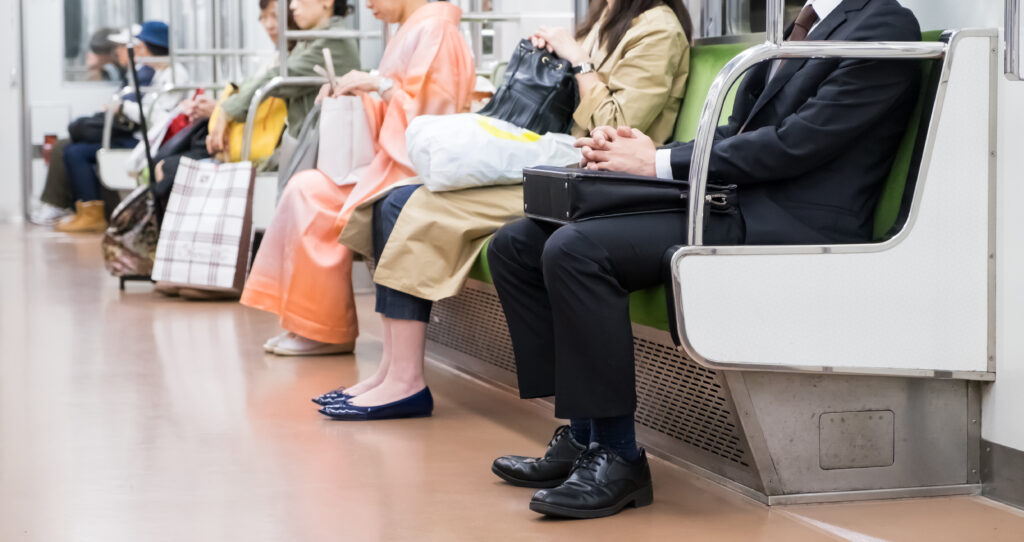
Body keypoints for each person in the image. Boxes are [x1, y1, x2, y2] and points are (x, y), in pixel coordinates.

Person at [486, 0, 922, 519]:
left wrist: (657, 164)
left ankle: (618, 457)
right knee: (518, 244)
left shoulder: (884, 25)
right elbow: (737, 132)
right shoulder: (805, 23)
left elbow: (798, 144)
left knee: (577, 250)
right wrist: (645, 151)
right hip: (738, 199)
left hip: (792, 219)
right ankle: (583, 435)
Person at [320, 0, 693, 421]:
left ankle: (406, 380)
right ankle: (393, 370)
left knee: (413, 205)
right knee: (393, 199)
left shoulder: (657, 28)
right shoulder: (605, 18)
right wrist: (553, 57)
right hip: (560, 162)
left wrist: (578, 60)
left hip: (601, 178)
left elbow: (618, 127)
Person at [240, 0, 475, 357]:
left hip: (410, 168)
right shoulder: (413, 30)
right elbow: (403, 107)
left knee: (313, 195)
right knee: (306, 187)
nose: (366, 4)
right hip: (393, 159)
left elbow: (429, 118)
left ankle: (324, 329)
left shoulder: (435, 30)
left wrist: (377, 86)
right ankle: (309, 323)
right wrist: (357, 94)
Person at [56, 21, 190, 234]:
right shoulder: (158, 73)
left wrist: (125, 108)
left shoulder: (174, 75)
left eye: (139, 47)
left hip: (150, 139)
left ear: (147, 48)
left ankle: (93, 214)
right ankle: (88, 211)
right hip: (144, 134)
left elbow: (158, 117)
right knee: (74, 148)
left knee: (76, 152)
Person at [32, 28, 155, 226]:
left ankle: (89, 213)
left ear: (138, 49)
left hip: (134, 136)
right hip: (124, 129)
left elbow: (130, 110)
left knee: (75, 151)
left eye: (122, 48)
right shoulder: (132, 74)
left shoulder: (145, 75)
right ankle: (75, 209)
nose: (118, 53)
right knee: (67, 145)